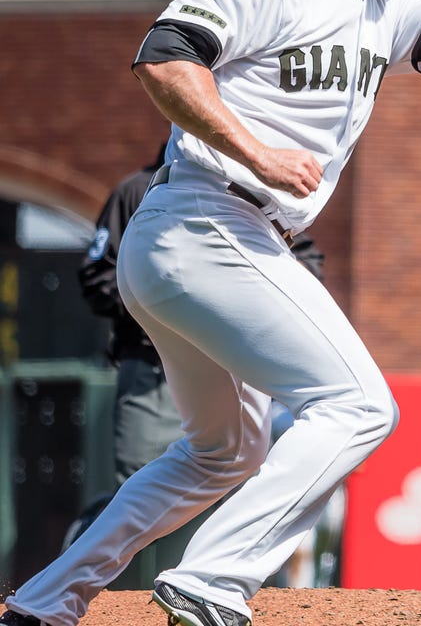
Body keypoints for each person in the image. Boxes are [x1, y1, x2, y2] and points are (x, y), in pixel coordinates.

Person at [1, 0, 421, 624]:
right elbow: (163, 58)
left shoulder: (384, 5)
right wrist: (258, 152)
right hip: (208, 214)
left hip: (222, 237)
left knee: (221, 454)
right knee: (361, 405)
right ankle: (212, 580)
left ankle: (46, 601)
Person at [70, 147, 328, 582]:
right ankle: (90, 578)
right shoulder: (138, 189)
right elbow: (98, 275)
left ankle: (217, 588)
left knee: (238, 485)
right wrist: (174, 307)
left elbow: (307, 262)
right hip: (155, 367)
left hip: (237, 368)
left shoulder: (250, 190)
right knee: (139, 481)